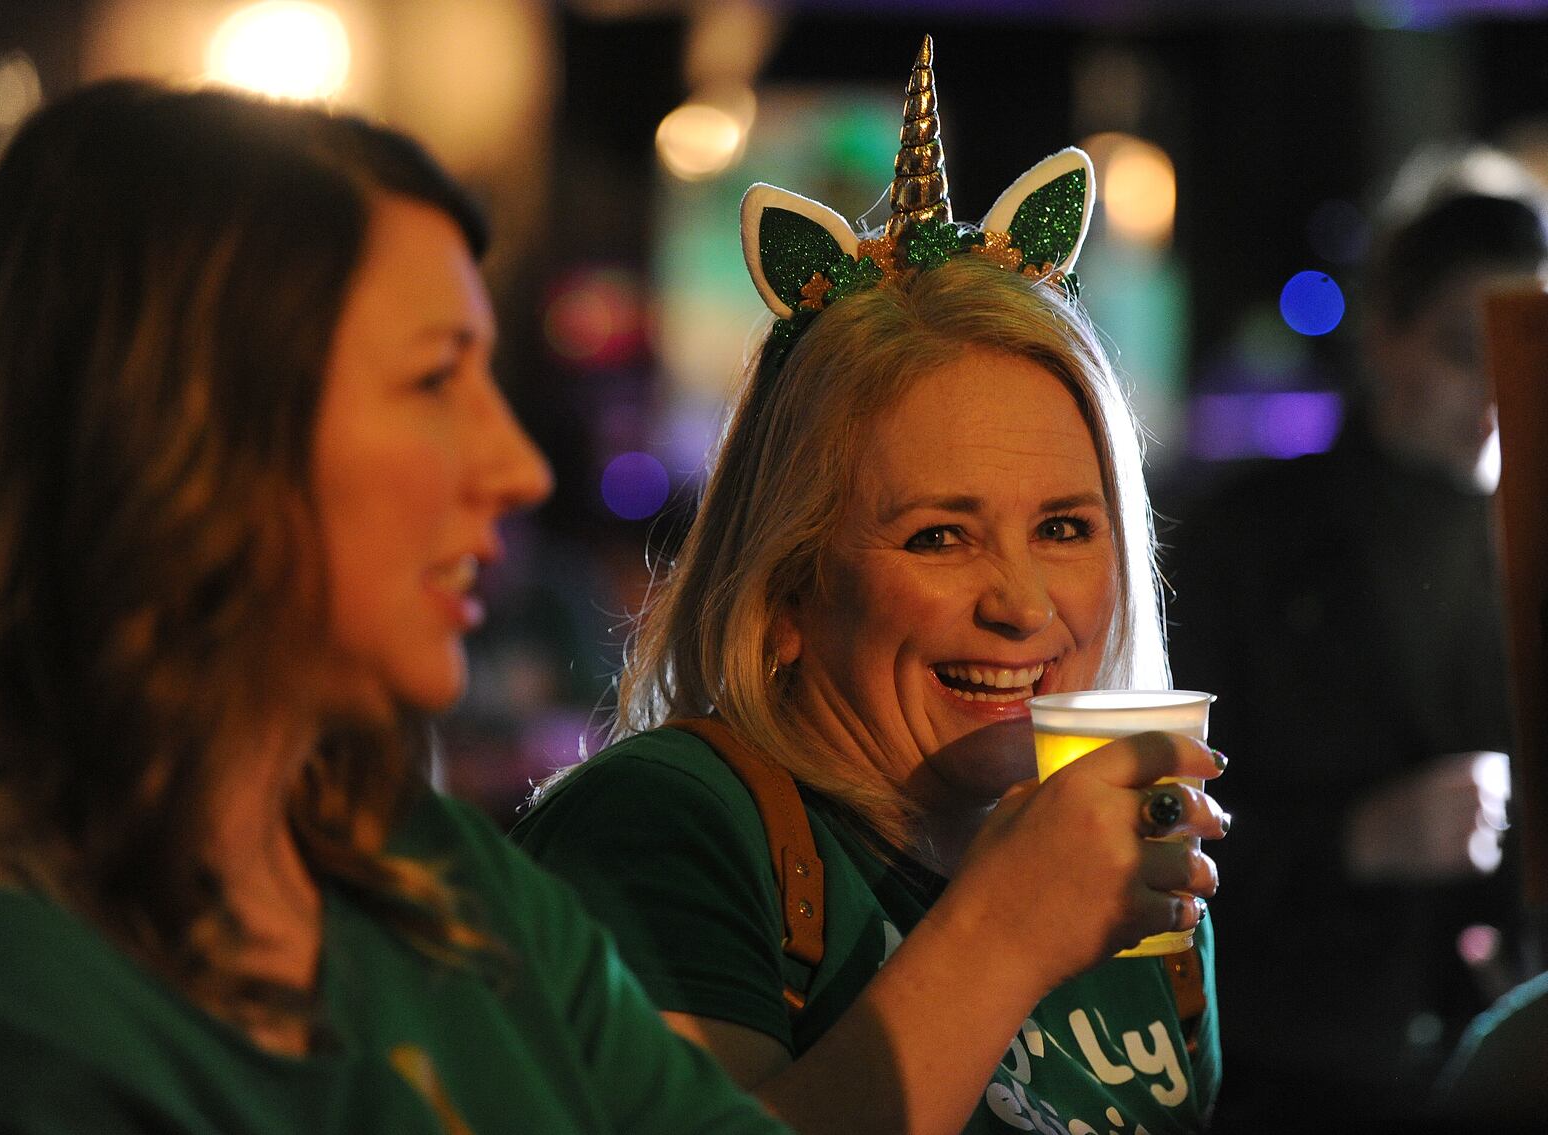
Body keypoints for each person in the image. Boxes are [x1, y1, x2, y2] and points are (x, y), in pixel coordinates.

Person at [0, 80, 793, 1134]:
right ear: (183, 430)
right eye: (436, 378)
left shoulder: (436, 878)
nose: (519, 469)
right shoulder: (7, 1005)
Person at [515, 39, 1229, 1135]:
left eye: (1065, 528)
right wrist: (1001, 930)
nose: (1025, 605)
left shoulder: (1129, 871)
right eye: (940, 536)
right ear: (789, 588)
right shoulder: (665, 822)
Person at [1163, 146, 1548, 1127]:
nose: (1501, 393)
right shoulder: (1247, 541)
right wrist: (1354, 839)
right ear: (1383, 335)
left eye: (1529, 351)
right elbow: (1152, 832)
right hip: (1302, 1066)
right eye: (1470, 350)